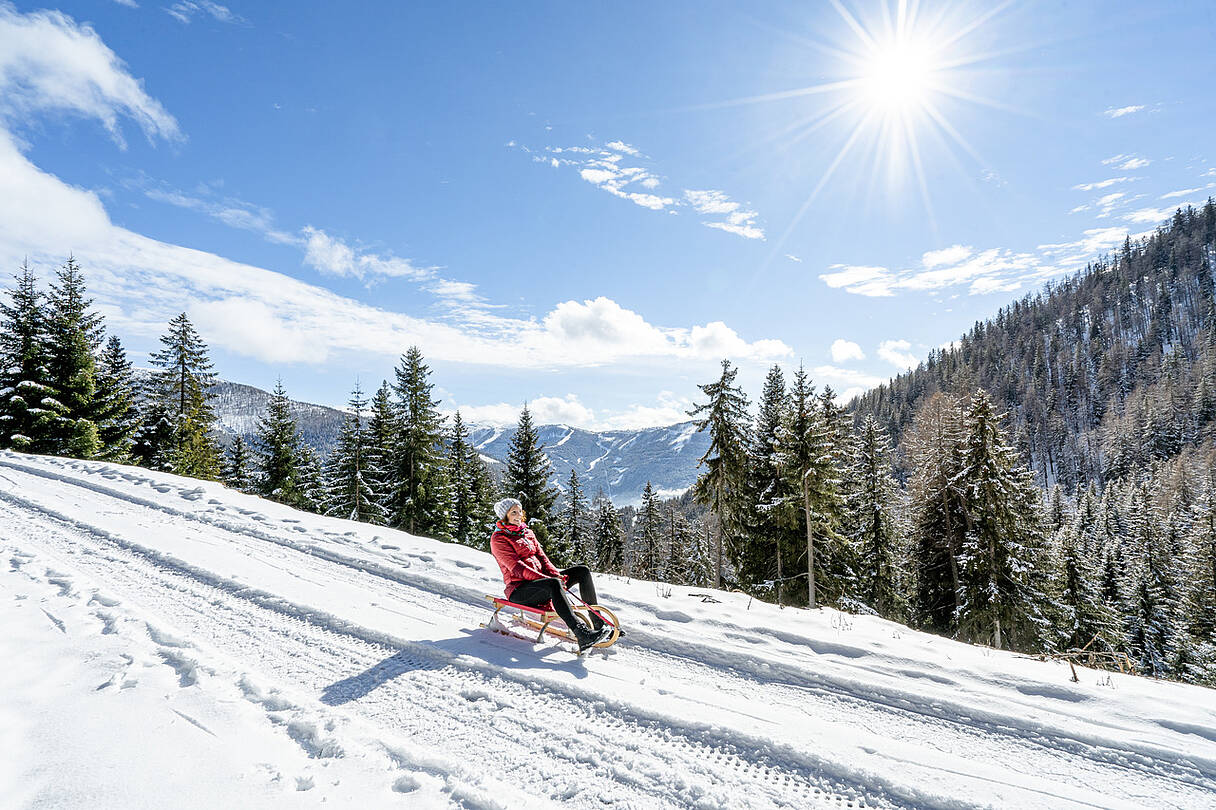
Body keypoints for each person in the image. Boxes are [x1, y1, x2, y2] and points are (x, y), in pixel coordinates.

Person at [489, 497, 612, 651]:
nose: (518, 515)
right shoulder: (499, 539)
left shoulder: (527, 532)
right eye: (513, 512)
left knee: (582, 571)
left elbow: (542, 558)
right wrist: (549, 579)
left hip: (543, 583)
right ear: (504, 516)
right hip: (520, 590)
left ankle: (599, 624)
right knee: (553, 584)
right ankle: (582, 634)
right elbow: (517, 569)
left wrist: (556, 574)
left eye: (520, 511)